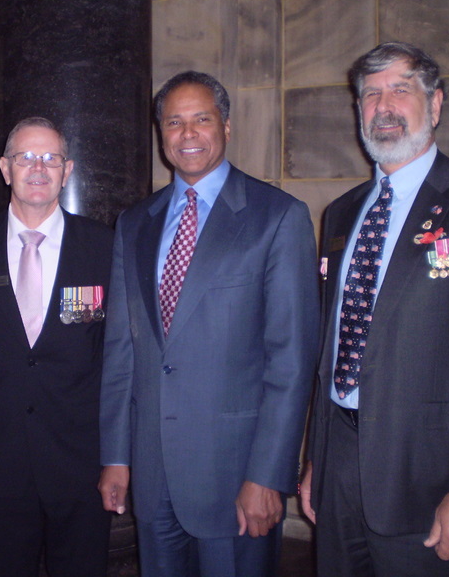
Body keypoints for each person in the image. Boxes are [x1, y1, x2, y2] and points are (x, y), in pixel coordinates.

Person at [98, 71, 319, 576]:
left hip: (236, 478)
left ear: (227, 126)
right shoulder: (135, 223)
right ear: (161, 133)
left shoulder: (277, 217)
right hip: (153, 475)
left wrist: (268, 476)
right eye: (174, 122)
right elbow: (121, 351)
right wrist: (116, 455)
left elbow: (291, 361)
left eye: (202, 119)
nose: (188, 133)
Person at [300, 42, 449, 577]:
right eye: (370, 94)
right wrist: (316, 460)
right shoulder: (342, 213)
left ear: (435, 106)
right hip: (341, 465)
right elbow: (333, 344)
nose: (383, 105)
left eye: (400, 89)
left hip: (431, 482)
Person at [0, 117, 113, 577]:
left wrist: (118, 456)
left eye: (51, 158)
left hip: (82, 460)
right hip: (0, 458)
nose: (38, 168)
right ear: (6, 168)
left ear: (68, 170)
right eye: (26, 157)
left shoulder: (105, 246)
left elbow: (119, 355)